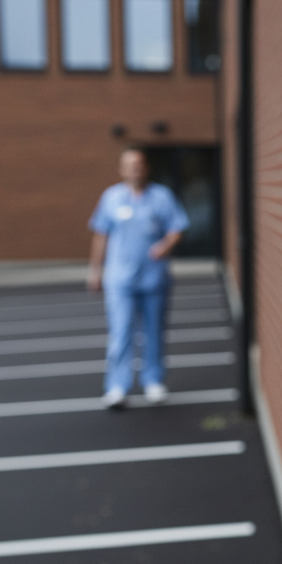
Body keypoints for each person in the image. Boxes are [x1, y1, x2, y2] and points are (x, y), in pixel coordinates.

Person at [87, 148, 189, 408]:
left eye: (140, 164)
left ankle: (153, 380)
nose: (136, 169)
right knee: (120, 332)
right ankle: (117, 387)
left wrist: (165, 246)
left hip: (154, 279)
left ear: (147, 168)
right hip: (120, 279)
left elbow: (178, 227)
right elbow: (101, 234)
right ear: (122, 169)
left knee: (154, 331)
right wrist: (95, 270)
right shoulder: (111, 197)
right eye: (130, 165)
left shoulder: (162, 197)